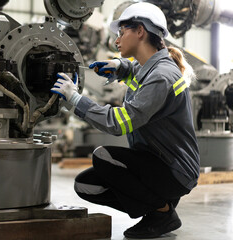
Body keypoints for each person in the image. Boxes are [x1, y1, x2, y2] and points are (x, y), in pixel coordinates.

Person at [50, 2, 200, 239]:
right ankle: (157, 209)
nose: (116, 41)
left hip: (174, 171)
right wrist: (119, 68)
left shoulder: (162, 76)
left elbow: (118, 123)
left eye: (121, 33)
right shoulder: (154, 68)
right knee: (86, 186)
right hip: (157, 163)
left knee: (103, 156)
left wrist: (76, 100)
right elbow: (138, 71)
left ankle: (162, 212)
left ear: (140, 31)